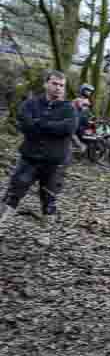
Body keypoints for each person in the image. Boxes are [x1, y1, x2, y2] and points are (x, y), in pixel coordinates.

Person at [0, 70, 78, 246]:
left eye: (61, 85)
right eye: (55, 84)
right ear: (46, 84)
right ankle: (1, 225)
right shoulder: (31, 104)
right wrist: (49, 127)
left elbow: (67, 129)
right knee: (14, 192)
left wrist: (39, 123)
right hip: (29, 158)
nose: (58, 88)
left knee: (49, 198)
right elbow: (25, 124)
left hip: (55, 162)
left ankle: (45, 233)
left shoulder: (69, 109)